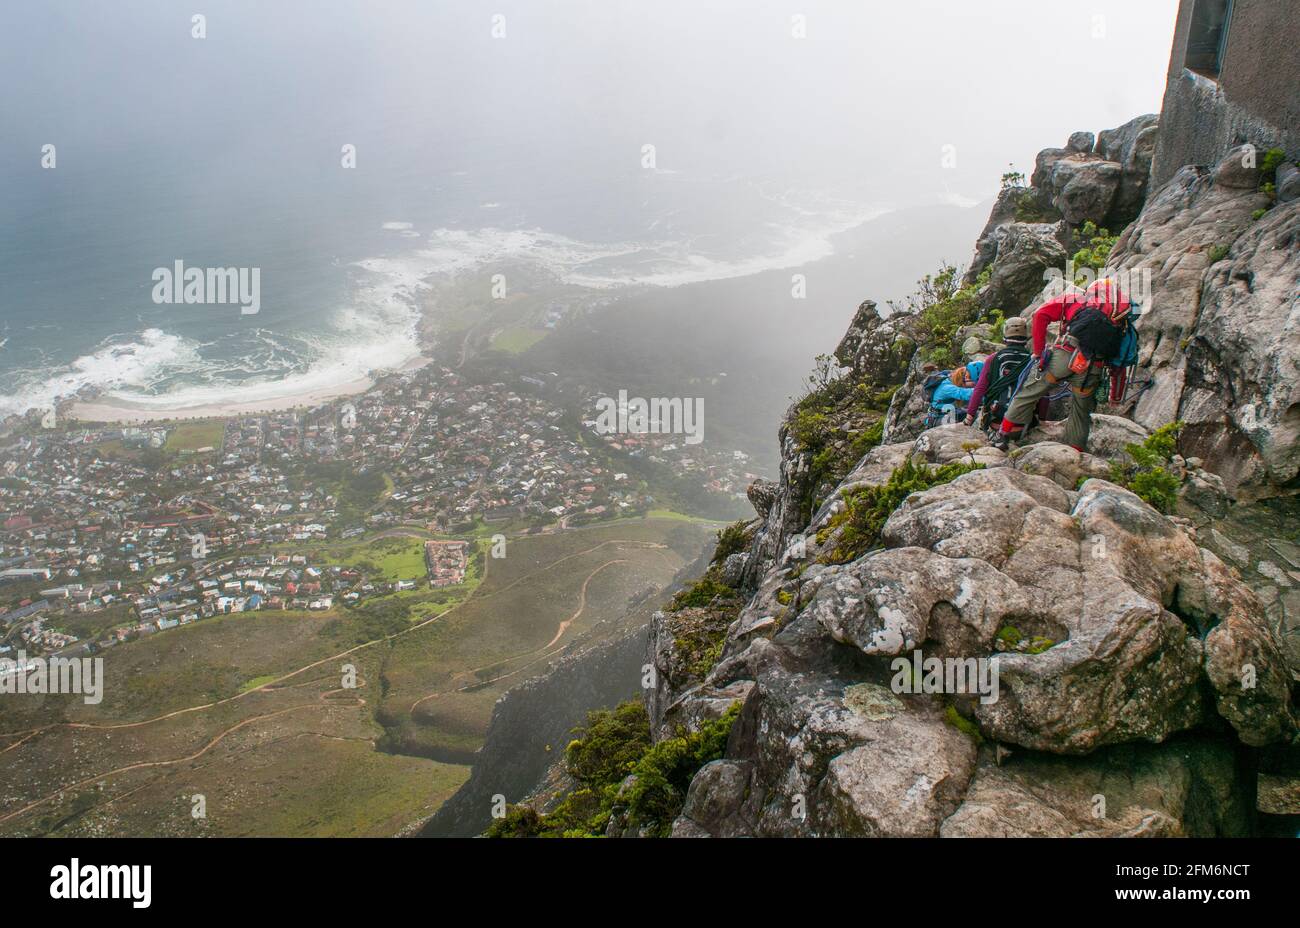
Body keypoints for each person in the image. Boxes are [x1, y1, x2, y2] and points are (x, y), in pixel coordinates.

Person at [991, 278, 1133, 452]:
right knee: (1081, 412)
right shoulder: (1120, 319)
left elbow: (1040, 315)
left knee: (1029, 392)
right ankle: (1074, 451)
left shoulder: (1076, 300)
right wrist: (1116, 397)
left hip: (1065, 356)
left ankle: (1002, 435)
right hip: (1093, 368)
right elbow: (1120, 361)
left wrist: (1038, 351)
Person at [962, 315, 1049, 430]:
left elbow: (980, 389)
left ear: (1005, 337)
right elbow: (1044, 393)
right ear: (1025, 338)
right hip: (1024, 424)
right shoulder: (1033, 360)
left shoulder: (994, 359)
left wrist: (969, 417)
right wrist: (1041, 420)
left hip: (997, 422)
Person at [929, 359, 984, 423]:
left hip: (948, 412)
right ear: (966, 377)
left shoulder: (952, 377)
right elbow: (965, 394)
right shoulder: (948, 388)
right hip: (938, 418)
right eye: (975, 383)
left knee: (975, 414)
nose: (975, 386)